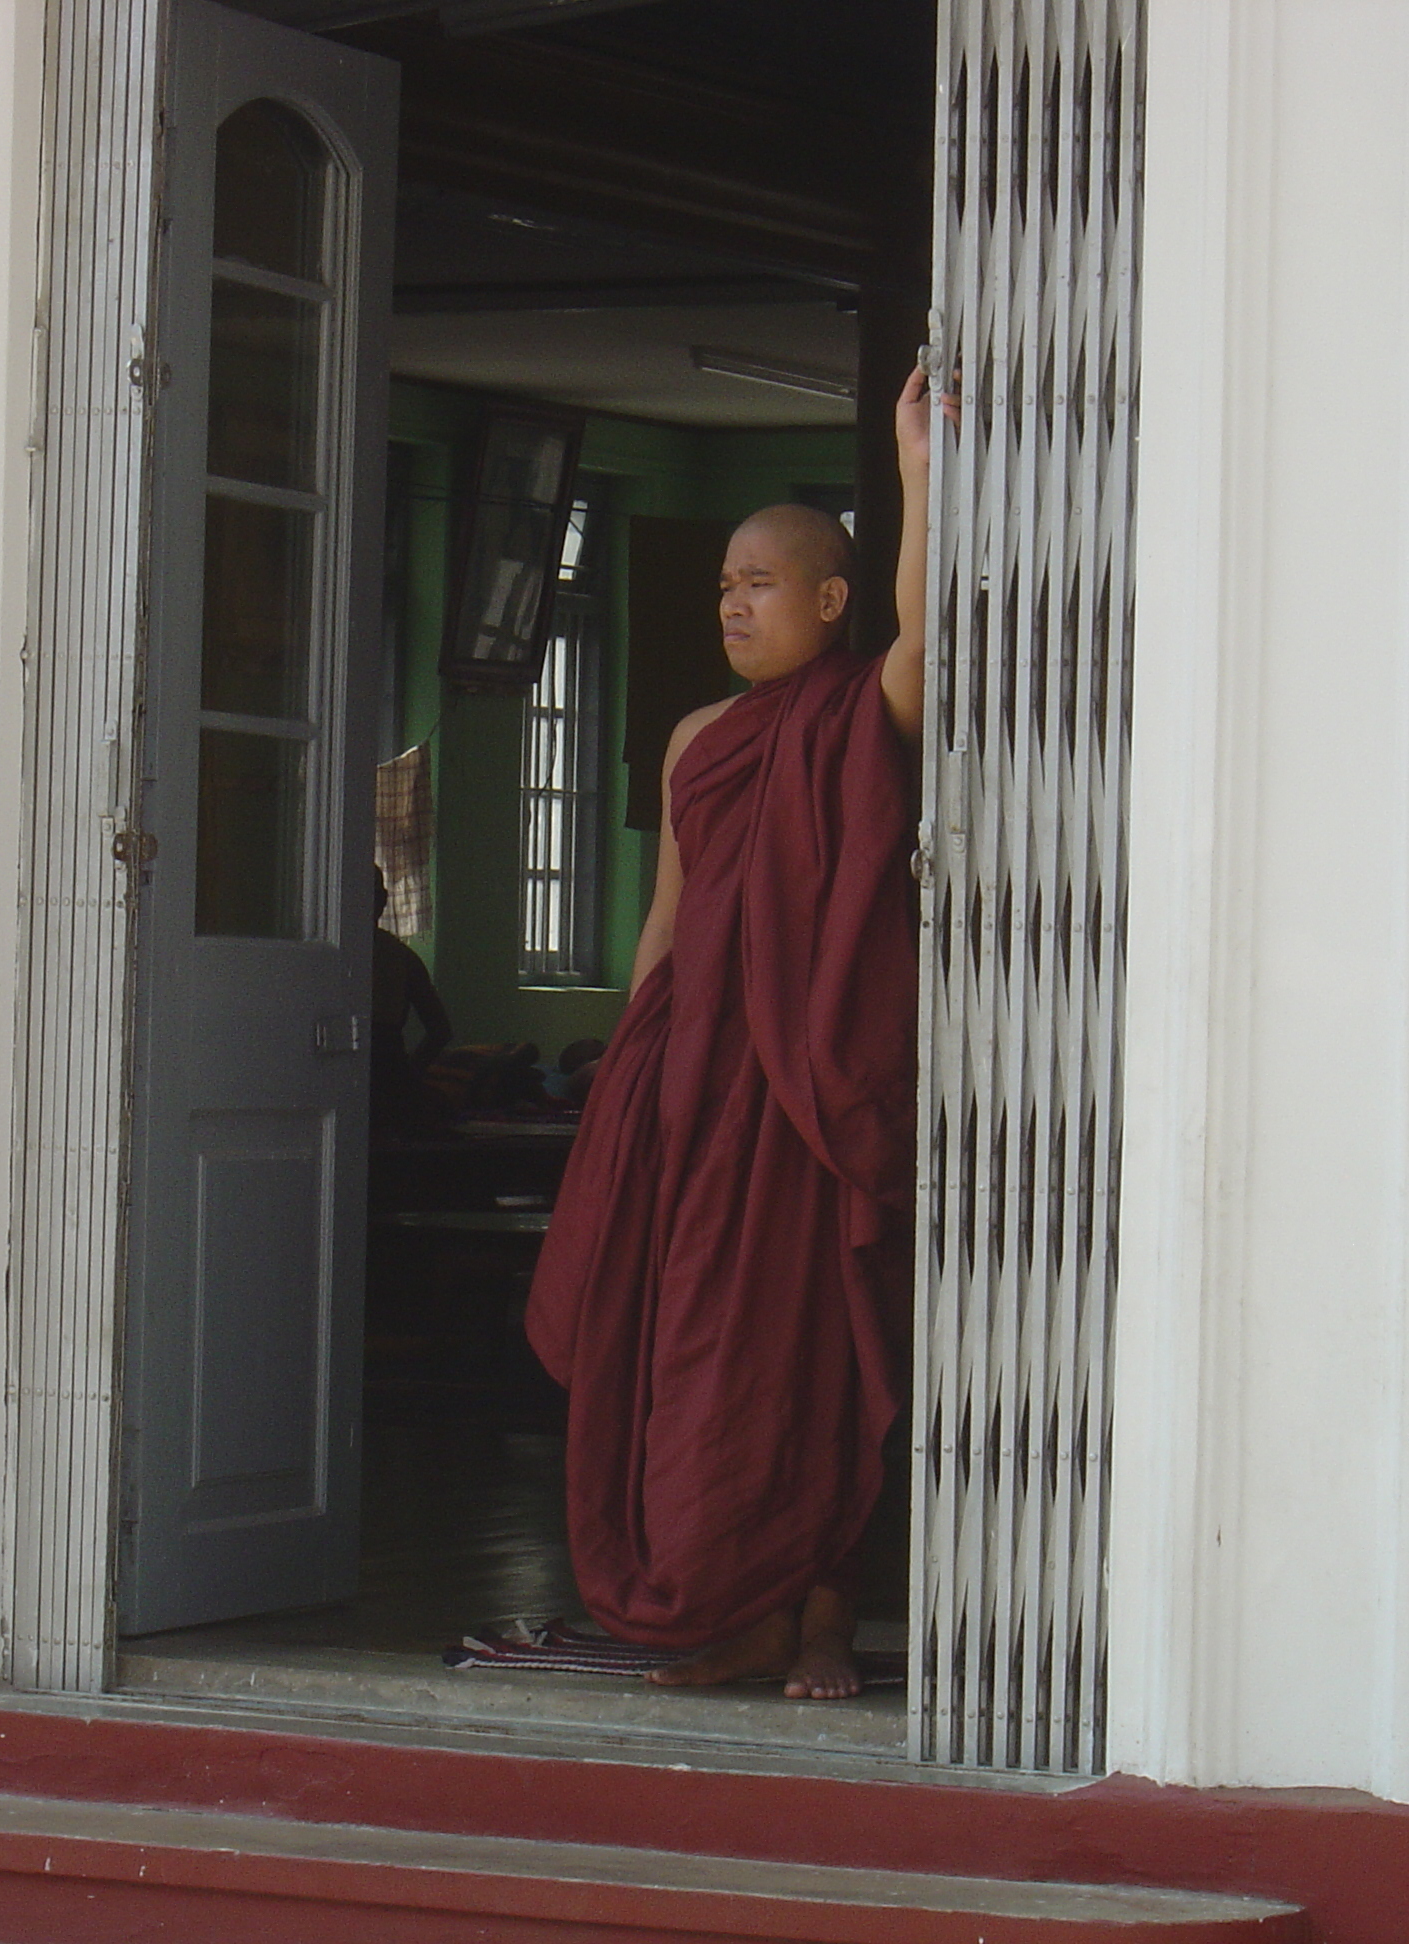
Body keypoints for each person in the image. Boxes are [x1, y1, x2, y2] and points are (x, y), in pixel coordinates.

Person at [524, 370, 943, 1701]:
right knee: (689, 1354)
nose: (733, 603)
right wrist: (624, 1083)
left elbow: (925, 648)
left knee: (812, 1357)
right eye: (722, 584)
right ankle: (729, 1612)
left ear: (832, 601)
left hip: (806, 1088)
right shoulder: (698, 738)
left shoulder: (858, 712)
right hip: (692, 1089)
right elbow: (669, 918)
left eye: (762, 581)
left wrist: (918, 477)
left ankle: (818, 1620)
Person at [371, 868, 453, 1142]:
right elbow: (440, 1030)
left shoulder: (322, 955)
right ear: (382, 900)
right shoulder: (402, 957)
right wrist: (408, 1075)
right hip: (388, 1072)